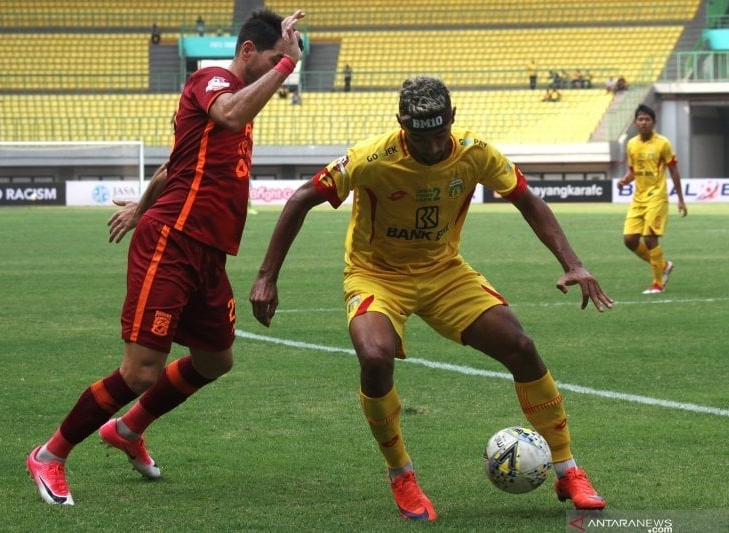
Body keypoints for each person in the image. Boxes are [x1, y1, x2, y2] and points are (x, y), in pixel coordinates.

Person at [250, 76, 611, 521]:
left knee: (521, 346)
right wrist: (267, 276)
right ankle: (401, 473)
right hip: (376, 276)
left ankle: (567, 468)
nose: (433, 147)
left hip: (444, 274)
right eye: (421, 138)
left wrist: (572, 262)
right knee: (375, 356)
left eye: (440, 135)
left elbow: (526, 199)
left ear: (453, 121)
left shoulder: (475, 152)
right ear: (402, 125)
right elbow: (302, 198)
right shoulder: (370, 158)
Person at [26, 7, 306, 506]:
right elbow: (230, 113)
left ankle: (128, 429)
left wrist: (141, 201)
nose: (275, 71)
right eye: (270, 61)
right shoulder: (212, 80)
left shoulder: (239, 97)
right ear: (248, 53)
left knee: (215, 359)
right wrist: (287, 66)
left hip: (208, 253)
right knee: (140, 371)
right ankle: (49, 456)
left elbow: (176, 160)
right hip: (171, 243)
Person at [617, 104, 687, 294]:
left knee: (649, 238)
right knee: (629, 240)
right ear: (635, 122)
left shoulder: (663, 143)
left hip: (657, 197)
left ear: (654, 123)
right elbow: (633, 170)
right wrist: (625, 180)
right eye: (640, 119)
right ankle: (663, 265)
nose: (643, 122)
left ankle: (658, 283)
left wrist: (680, 199)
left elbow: (673, 170)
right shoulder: (631, 144)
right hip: (638, 199)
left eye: (647, 119)